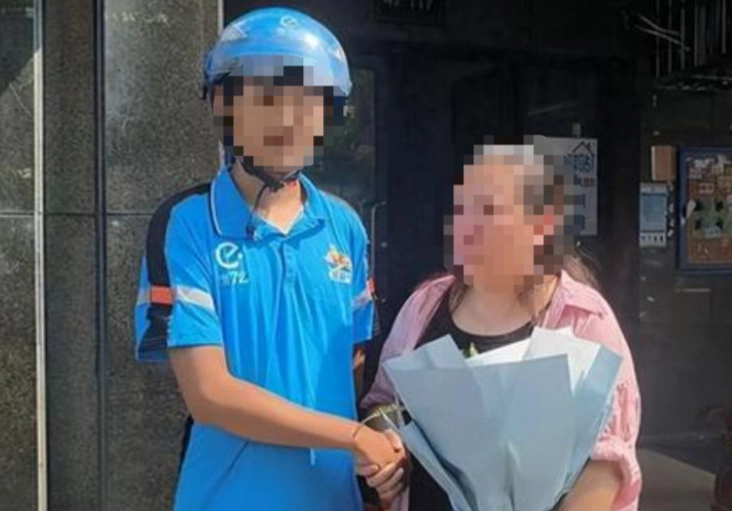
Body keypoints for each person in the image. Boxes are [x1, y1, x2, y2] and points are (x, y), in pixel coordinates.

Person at [133, 7, 405, 511]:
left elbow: (350, 367)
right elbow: (209, 394)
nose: (288, 120)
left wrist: (379, 459)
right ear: (223, 104)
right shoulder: (187, 224)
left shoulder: (344, 226)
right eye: (266, 100)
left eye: (308, 103)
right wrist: (350, 437)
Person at [359, 137, 642, 511]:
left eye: (489, 211)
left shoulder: (584, 318)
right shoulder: (425, 305)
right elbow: (382, 402)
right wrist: (386, 449)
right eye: (463, 210)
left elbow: (607, 462)